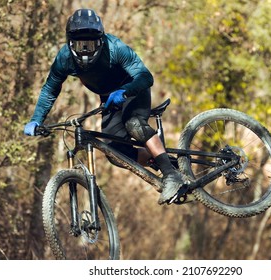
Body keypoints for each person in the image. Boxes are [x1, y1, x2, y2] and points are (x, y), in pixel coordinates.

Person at [24, 8, 184, 204]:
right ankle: (163, 161)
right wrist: (36, 119)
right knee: (116, 155)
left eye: (90, 44)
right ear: (70, 43)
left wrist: (124, 92)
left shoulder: (116, 48)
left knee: (133, 124)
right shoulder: (64, 58)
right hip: (109, 99)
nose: (85, 50)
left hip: (133, 91)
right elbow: (50, 89)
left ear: (100, 41)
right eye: (80, 44)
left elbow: (145, 77)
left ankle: (172, 176)